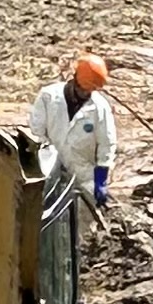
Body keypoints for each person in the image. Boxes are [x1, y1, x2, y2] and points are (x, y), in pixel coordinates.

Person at [27, 52, 118, 213]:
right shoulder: (48, 97)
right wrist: (49, 162)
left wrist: (101, 180)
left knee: (83, 220)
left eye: (90, 90)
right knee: (45, 217)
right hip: (49, 173)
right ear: (75, 79)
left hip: (84, 176)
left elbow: (107, 144)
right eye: (84, 89)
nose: (86, 93)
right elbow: (36, 133)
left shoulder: (100, 108)